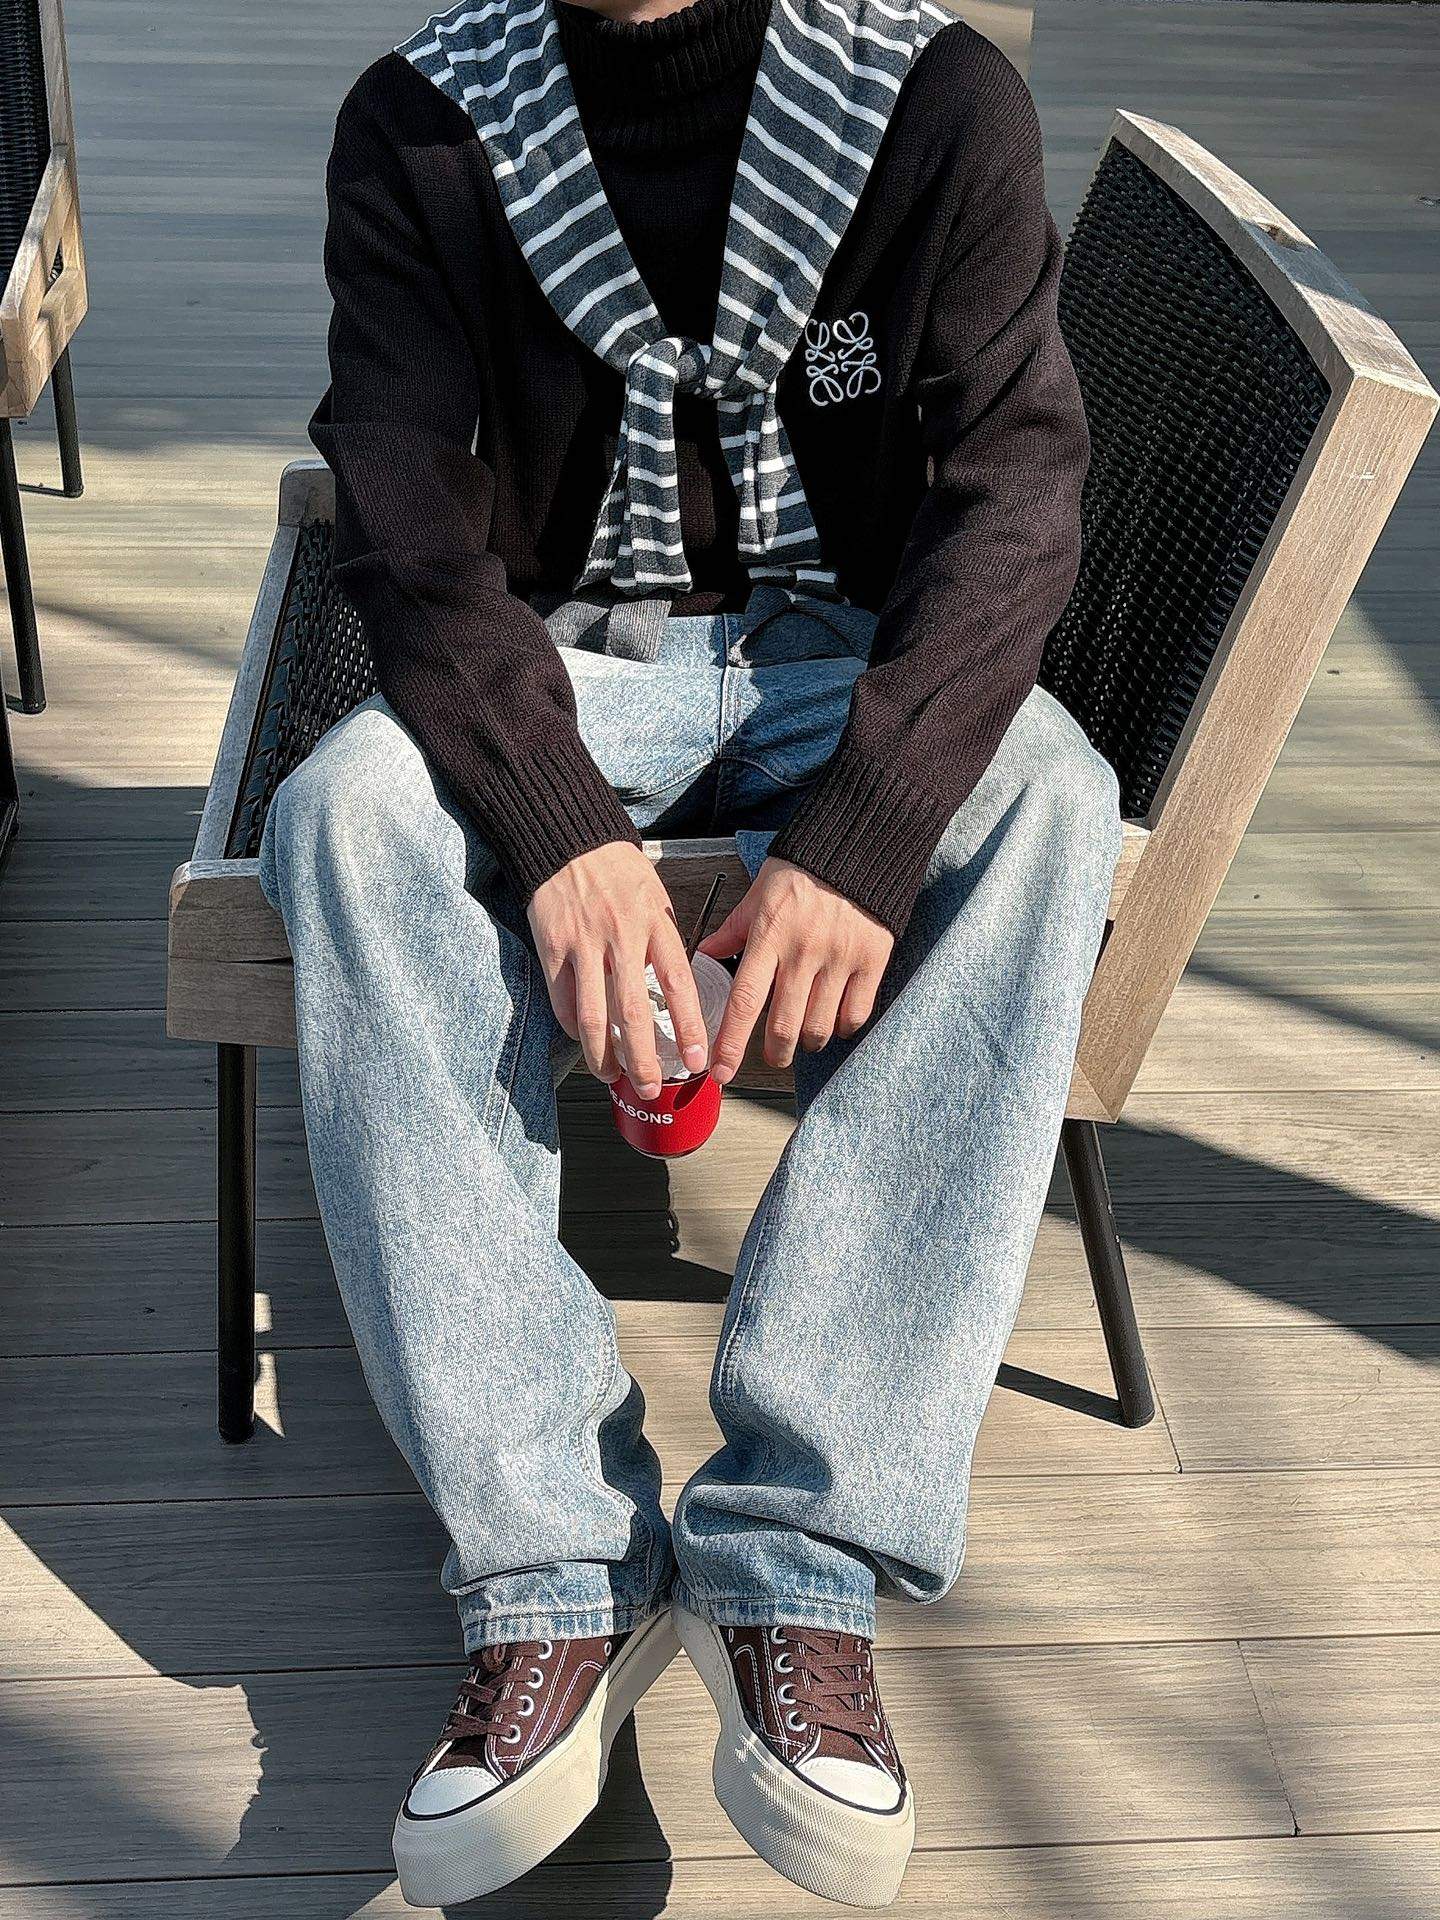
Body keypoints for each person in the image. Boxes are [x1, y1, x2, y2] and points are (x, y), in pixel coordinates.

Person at [261, 0, 1121, 1905]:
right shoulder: (426, 122)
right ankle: (552, 1572)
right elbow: (403, 517)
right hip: (566, 656)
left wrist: (865, 833)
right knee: (347, 817)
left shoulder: (927, 101)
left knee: (1050, 798)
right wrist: (561, 827)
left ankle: (792, 1563)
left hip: (851, 654)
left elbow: (1020, 493)